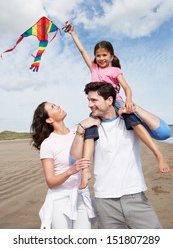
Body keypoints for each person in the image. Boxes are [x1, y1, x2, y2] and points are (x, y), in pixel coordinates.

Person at [64, 22, 171, 188]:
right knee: (91, 130)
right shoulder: (93, 68)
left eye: (104, 55)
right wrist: (73, 34)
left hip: (117, 101)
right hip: (99, 106)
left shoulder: (114, 71)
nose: (101, 59)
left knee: (132, 120)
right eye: (98, 56)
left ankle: (157, 154)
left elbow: (127, 87)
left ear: (111, 56)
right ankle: (86, 171)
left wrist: (128, 101)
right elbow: (82, 51)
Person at [70, 82, 170, 229]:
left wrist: (134, 107)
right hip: (104, 202)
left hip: (135, 196)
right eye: (88, 100)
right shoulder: (92, 127)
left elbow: (164, 133)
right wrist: (80, 129)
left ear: (110, 100)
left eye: (94, 100)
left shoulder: (128, 120)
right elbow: (74, 159)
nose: (89, 105)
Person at [30, 101, 100, 229]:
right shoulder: (48, 143)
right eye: (53, 107)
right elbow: (50, 181)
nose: (58, 106)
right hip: (59, 199)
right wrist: (71, 171)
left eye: (55, 104)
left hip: (81, 195)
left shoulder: (78, 133)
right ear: (49, 119)